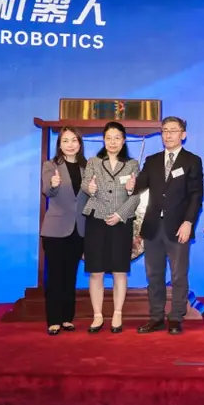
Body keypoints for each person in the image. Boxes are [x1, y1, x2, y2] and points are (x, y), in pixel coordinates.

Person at [135, 116, 204, 336]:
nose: (168, 135)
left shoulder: (192, 161)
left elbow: (196, 196)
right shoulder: (152, 160)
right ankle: (156, 317)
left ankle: (176, 317)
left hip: (178, 227)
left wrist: (188, 222)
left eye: (173, 131)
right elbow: (139, 186)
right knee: (154, 275)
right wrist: (128, 183)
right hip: (153, 226)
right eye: (165, 130)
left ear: (183, 134)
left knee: (178, 276)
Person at [81, 121, 141, 334]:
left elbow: (136, 195)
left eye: (117, 138)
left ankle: (117, 313)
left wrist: (120, 214)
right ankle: (97, 315)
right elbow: (85, 184)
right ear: (103, 140)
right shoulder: (93, 162)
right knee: (96, 271)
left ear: (123, 140)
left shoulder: (132, 164)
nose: (113, 142)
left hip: (121, 222)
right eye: (109, 138)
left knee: (119, 270)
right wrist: (89, 187)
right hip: (96, 220)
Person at [40, 126, 88, 335]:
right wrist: (53, 184)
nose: (70, 144)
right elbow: (47, 191)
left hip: (79, 229)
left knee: (70, 275)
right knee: (55, 276)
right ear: (59, 145)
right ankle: (54, 320)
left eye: (74, 140)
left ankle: (67, 318)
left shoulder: (87, 167)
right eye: (65, 141)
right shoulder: (51, 165)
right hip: (56, 230)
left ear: (80, 144)